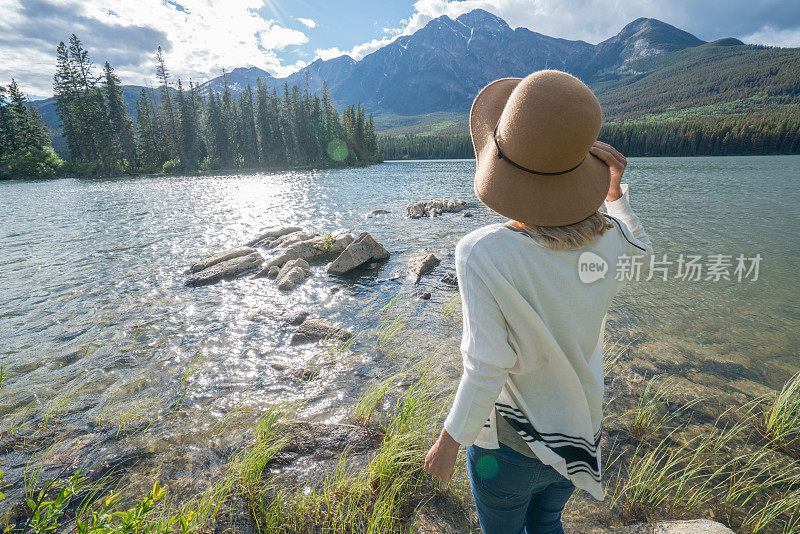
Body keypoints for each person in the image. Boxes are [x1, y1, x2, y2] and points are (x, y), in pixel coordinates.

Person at [423, 70, 652, 534]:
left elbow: (488, 365)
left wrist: (447, 444)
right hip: (581, 436)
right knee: (547, 522)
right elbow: (644, 255)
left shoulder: (483, 252)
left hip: (510, 449)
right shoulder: (611, 238)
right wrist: (614, 197)